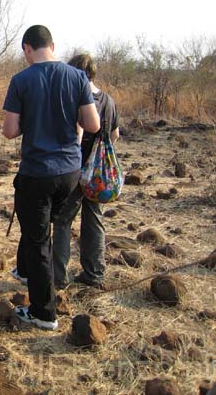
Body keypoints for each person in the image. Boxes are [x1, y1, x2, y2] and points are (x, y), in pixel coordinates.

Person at [2, 25, 100, 330]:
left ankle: (44, 313)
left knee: (37, 241)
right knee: (53, 231)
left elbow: (9, 131)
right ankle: (45, 281)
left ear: (27, 49)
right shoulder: (78, 77)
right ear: (53, 46)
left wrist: (31, 121)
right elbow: (92, 124)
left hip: (37, 173)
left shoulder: (21, 80)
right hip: (70, 173)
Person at [53, 54, 119, 289]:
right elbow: (114, 135)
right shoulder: (109, 101)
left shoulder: (76, 98)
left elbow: (77, 132)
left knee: (62, 220)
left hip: (74, 169)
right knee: (94, 220)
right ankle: (94, 274)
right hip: (98, 175)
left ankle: (58, 277)